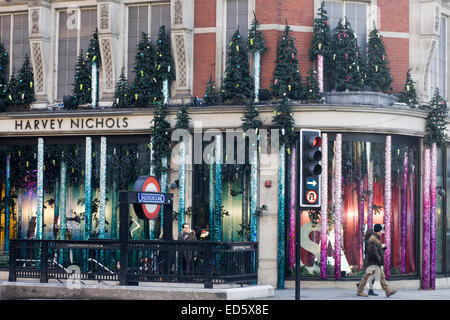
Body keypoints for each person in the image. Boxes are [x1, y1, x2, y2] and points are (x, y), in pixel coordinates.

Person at [357, 223, 397, 297]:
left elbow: (376, 250)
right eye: (381, 230)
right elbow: (372, 251)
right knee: (366, 277)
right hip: (373, 262)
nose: (382, 232)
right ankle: (359, 291)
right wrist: (379, 259)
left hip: (375, 262)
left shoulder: (375, 238)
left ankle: (388, 291)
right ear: (379, 231)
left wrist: (382, 249)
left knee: (381, 277)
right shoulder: (373, 239)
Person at [356, 228, 378, 296]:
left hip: (368, 260)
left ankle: (362, 286)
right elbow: (371, 252)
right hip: (370, 261)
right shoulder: (369, 242)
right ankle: (364, 288)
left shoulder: (366, 241)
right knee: (370, 276)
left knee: (370, 276)